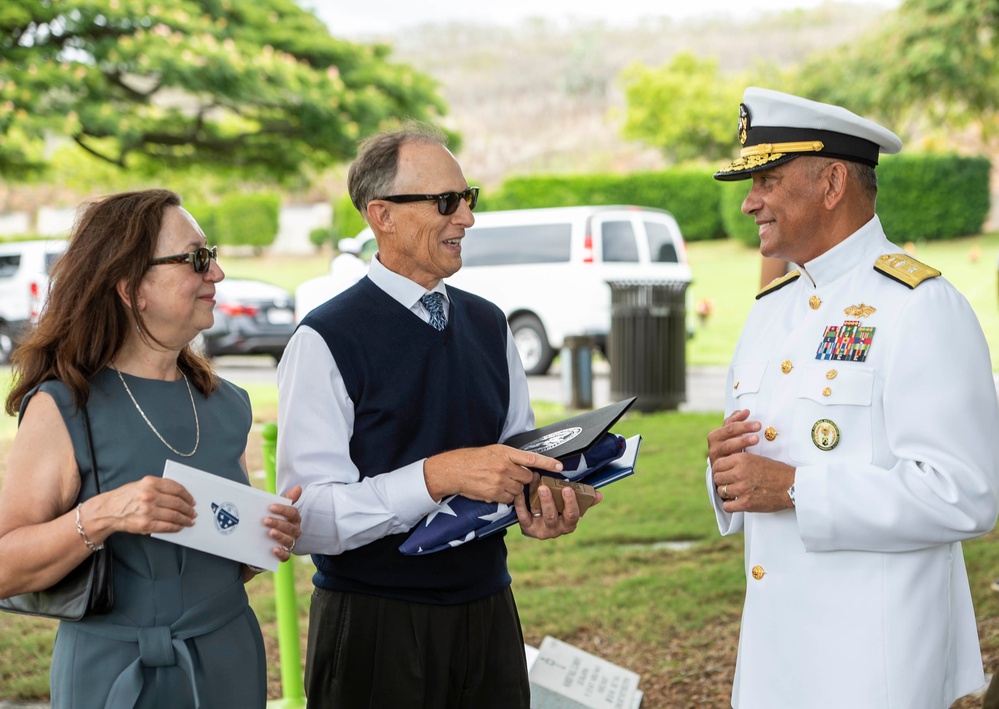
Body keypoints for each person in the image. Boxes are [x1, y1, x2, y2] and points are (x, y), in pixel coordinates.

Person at [277, 122, 597, 707]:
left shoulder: (490, 324)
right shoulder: (325, 339)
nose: (467, 218)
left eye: (468, 197)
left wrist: (545, 503)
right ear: (382, 216)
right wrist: (437, 476)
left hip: (489, 613)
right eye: (446, 202)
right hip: (374, 629)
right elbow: (308, 519)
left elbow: (516, 459)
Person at [706, 87, 999, 709]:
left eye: (767, 180)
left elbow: (965, 493)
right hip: (777, 660)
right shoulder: (771, 309)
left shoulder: (919, 306)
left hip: (873, 667)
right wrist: (726, 469)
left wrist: (793, 489)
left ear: (832, 181)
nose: (748, 200)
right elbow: (762, 465)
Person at [0, 189, 303, 708]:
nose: (217, 274)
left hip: (228, 660)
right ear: (130, 287)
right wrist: (101, 514)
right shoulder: (62, 405)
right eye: (197, 259)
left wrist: (263, 536)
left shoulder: (226, 404)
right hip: (114, 673)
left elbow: (218, 552)